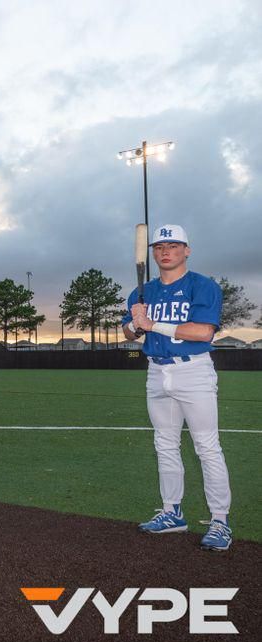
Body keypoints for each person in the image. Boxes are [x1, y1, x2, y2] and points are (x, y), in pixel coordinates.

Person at [123, 224, 232, 551]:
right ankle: (172, 512)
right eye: (159, 247)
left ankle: (220, 520)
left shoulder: (202, 286)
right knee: (165, 444)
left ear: (187, 250)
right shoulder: (142, 292)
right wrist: (134, 323)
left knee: (207, 447)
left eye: (172, 245)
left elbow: (203, 332)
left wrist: (153, 324)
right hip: (157, 371)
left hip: (193, 371)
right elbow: (130, 333)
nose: (165, 251)